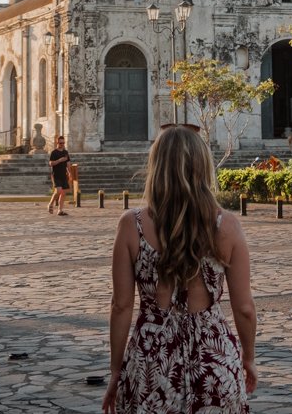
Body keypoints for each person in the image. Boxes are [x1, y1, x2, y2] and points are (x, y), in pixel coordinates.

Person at [102, 124, 257, 414]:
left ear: (156, 166)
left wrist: (115, 370)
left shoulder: (131, 225)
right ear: (202, 166)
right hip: (213, 357)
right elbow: (245, 308)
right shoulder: (227, 226)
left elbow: (121, 306)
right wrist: (248, 358)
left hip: (151, 360)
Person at [48, 136, 71, 215]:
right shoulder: (54, 152)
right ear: (57, 143)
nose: (62, 144)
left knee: (63, 193)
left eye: (63, 143)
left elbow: (68, 163)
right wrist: (59, 160)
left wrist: (70, 172)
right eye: (61, 143)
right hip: (56, 175)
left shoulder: (65, 152)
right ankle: (50, 204)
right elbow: (51, 163)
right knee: (58, 190)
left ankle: (60, 210)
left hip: (63, 175)